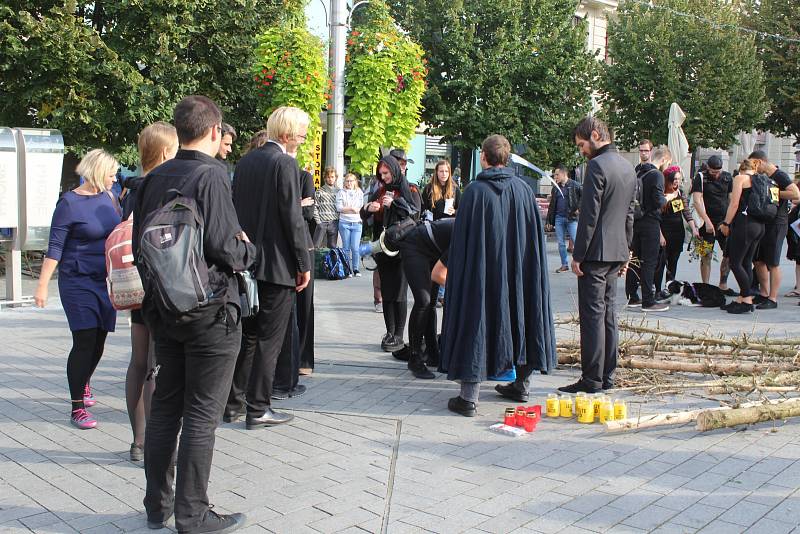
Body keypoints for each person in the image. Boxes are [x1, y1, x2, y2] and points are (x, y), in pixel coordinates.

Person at [133, 96, 255, 533]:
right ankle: (193, 514)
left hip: (165, 311)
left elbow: (137, 248)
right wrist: (249, 247)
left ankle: (156, 505)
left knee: (165, 409)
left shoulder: (154, 176)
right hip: (211, 312)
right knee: (202, 415)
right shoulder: (212, 176)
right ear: (212, 130)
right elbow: (226, 247)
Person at [440, 134, 556, 416]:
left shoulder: (474, 192)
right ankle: (522, 385)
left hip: (482, 271)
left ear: (484, 156)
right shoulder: (525, 191)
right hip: (518, 271)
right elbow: (534, 242)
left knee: (476, 317)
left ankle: (469, 397)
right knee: (523, 314)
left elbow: (462, 243)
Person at [229, 105, 312, 430]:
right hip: (278, 266)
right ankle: (259, 408)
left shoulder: (247, 161)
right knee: (269, 338)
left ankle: (233, 403)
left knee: (248, 337)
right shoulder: (284, 163)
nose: (305, 137)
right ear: (288, 133)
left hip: (248, 261)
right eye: (302, 131)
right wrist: (303, 263)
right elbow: (292, 219)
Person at [34, 149, 121, 430]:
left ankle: (83, 381)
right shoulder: (69, 203)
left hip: (105, 280)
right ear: (97, 172)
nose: (114, 178)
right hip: (77, 280)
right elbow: (55, 246)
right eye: (111, 174)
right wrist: (42, 286)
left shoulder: (110, 197)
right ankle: (77, 407)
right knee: (84, 340)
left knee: (99, 341)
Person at [559, 117, 637, 394]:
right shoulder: (628, 167)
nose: (581, 150)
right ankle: (608, 375)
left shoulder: (596, 166)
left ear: (594, 135)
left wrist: (577, 255)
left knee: (592, 316)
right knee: (609, 314)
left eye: (582, 144)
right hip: (616, 250)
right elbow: (629, 214)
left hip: (595, 253)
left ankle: (591, 379)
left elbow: (589, 216)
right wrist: (627, 250)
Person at [121, 122, 179, 462]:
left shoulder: (131, 189)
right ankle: (157, 442)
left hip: (133, 283)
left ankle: (138, 440)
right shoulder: (162, 187)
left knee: (138, 361)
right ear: (167, 151)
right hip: (161, 284)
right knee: (158, 364)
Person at [361, 156, 421, 352]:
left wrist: (394, 204)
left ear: (395, 171)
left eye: (386, 173)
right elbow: (363, 212)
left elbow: (415, 214)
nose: (383, 177)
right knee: (387, 292)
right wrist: (368, 208)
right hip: (383, 248)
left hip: (402, 248)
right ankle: (389, 332)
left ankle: (399, 335)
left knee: (399, 293)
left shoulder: (410, 189)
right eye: (381, 174)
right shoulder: (379, 190)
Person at [396, 217, 455, 380]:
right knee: (424, 301)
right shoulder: (466, 234)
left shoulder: (473, 231)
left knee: (431, 303)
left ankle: (432, 353)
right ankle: (414, 358)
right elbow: (441, 275)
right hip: (415, 245)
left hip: (433, 252)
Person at [748, 150, 800, 309]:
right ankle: (763, 293)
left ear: (759, 161)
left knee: (773, 262)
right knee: (758, 260)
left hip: (778, 223)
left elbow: (796, 194)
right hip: (764, 221)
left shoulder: (780, 175)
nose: (753, 168)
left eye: (753, 164)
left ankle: (773, 298)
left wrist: (773, 192)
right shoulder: (762, 177)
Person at [718, 159, 766, 314]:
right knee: (746, 262)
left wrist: (726, 223)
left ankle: (746, 299)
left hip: (744, 225)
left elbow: (734, 204)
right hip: (760, 226)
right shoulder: (764, 180)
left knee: (735, 262)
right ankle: (743, 297)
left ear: (741, 169)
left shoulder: (741, 178)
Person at [626, 145, 670, 311]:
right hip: (650, 221)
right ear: (664, 159)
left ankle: (632, 297)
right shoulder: (657, 175)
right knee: (649, 261)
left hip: (635, 220)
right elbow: (659, 201)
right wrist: (669, 197)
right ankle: (648, 301)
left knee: (635, 260)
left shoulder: (637, 171)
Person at [690, 155, 735, 295]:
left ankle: (723, 284)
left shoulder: (727, 177)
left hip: (723, 222)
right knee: (705, 255)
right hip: (705, 224)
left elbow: (732, 199)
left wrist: (729, 222)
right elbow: (697, 201)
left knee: (728, 254)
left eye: (719, 171)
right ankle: (706, 287)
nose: (717, 174)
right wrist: (708, 222)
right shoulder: (701, 177)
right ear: (708, 167)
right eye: (714, 172)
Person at [654, 165, 699, 298]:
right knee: (660, 263)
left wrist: (694, 228)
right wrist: (660, 235)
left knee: (673, 262)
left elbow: (686, 212)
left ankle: (669, 288)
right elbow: (656, 217)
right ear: (667, 179)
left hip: (677, 232)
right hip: (664, 232)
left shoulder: (680, 193)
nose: (677, 182)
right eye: (674, 179)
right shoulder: (661, 194)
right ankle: (656, 290)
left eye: (679, 179)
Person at [546, 164, 582, 273]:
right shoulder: (555, 188)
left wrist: (579, 208)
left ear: (564, 173)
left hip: (572, 218)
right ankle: (564, 265)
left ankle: (581, 263)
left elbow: (585, 197)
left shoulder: (575, 185)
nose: (555, 177)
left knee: (577, 241)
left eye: (557, 174)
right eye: (555, 175)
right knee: (561, 243)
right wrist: (549, 221)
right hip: (559, 218)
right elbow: (552, 205)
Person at [337, 172, 364, 276]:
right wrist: (352, 208)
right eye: (347, 181)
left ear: (355, 182)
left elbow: (360, 208)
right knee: (346, 248)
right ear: (345, 182)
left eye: (351, 181)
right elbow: (339, 208)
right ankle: (347, 269)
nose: (349, 183)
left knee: (355, 247)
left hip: (357, 223)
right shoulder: (341, 192)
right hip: (344, 223)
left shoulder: (359, 192)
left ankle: (356, 269)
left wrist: (347, 209)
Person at [313, 167, 340, 248]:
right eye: (328, 177)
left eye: (332, 177)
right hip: (322, 222)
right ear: (325, 178)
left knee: (332, 247)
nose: (330, 179)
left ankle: (330, 261)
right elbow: (315, 207)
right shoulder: (319, 191)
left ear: (335, 178)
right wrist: (318, 222)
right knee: (316, 246)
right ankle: (315, 261)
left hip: (334, 223)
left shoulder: (339, 192)